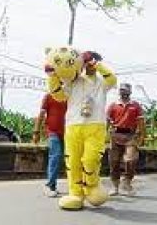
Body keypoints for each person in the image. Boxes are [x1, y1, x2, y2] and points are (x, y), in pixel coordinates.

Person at [58, 52, 117, 210]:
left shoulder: (102, 82)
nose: (89, 64)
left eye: (93, 61)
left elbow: (112, 79)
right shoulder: (73, 80)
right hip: (73, 126)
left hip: (95, 126)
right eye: (86, 61)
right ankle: (75, 194)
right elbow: (58, 94)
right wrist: (51, 75)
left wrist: (97, 65)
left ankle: (92, 187)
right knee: (73, 162)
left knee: (90, 160)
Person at [107, 83, 145, 196]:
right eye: (122, 90)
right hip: (115, 134)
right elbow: (107, 121)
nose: (123, 93)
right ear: (119, 92)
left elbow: (141, 122)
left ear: (130, 92)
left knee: (131, 159)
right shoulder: (113, 105)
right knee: (114, 162)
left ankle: (127, 182)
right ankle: (115, 186)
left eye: (126, 91)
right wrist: (104, 135)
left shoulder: (136, 106)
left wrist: (142, 136)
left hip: (131, 136)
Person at [33, 93, 67, 197]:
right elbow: (41, 114)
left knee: (60, 158)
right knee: (55, 156)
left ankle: (53, 186)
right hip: (52, 131)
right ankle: (49, 185)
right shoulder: (48, 96)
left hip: (66, 132)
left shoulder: (68, 96)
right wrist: (36, 132)